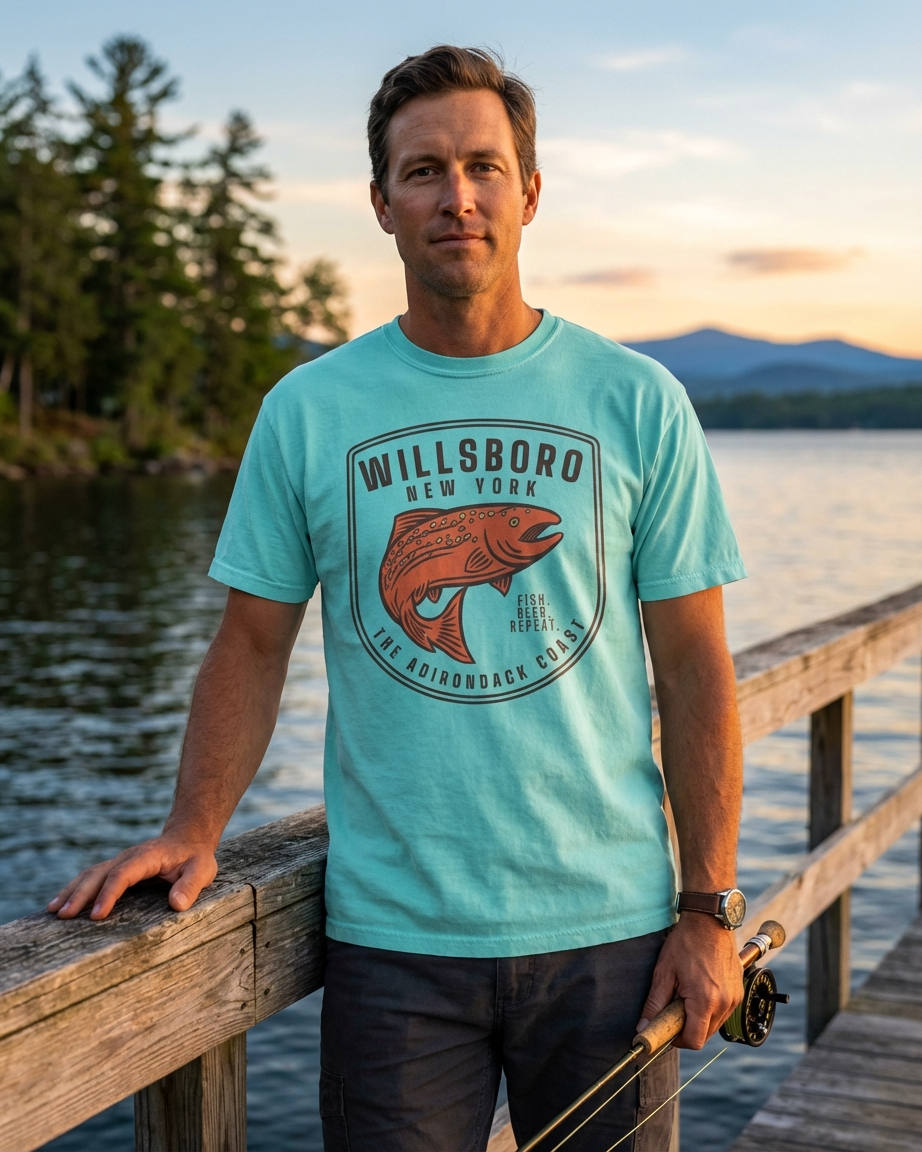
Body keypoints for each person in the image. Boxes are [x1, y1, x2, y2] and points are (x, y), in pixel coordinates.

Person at [49, 45, 748, 1151]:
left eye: (481, 165)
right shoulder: (308, 408)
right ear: (380, 203)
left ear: (529, 189)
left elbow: (697, 669)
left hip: (611, 933)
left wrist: (708, 910)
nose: (455, 197)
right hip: (393, 942)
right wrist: (195, 826)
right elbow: (251, 640)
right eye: (422, 171)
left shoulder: (637, 400)